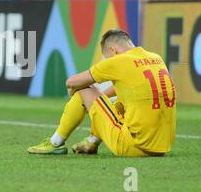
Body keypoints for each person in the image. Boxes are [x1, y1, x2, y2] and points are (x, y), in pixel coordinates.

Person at [28, 29, 177, 157]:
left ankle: (55, 143)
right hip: (162, 147)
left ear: (113, 50)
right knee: (121, 103)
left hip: (134, 146)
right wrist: (99, 98)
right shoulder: (155, 57)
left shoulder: (118, 61)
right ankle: (91, 143)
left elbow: (71, 82)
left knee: (83, 90)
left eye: (107, 57)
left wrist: (81, 93)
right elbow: (126, 87)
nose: (108, 60)